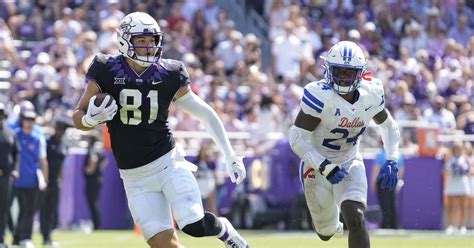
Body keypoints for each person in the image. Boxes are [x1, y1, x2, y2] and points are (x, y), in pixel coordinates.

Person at [72, 12, 249, 248]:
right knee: (164, 245)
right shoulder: (105, 68)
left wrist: (230, 154)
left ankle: (225, 231)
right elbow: (78, 115)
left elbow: (204, 112)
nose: (148, 46)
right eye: (141, 40)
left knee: (193, 223)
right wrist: (90, 120)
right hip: (134, 176)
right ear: (125, 41)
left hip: (168, 163)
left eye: (152, 40)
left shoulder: (169, 73)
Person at [289, 41, 400, 248]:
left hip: (349, 161)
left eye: (349, 73)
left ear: (360, 74)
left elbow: (389, 126)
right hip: (316, 165)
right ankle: (332, 224)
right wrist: (325, 166)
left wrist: (392, 158)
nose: (344, 77)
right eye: (339, 71)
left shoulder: (370, 94)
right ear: (328, 71)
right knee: (326, 233)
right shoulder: (320, 96)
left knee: (356, 218)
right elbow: (296, 138)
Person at [12, 108, 48, 247]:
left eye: (32, 120)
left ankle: (26, 237)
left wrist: (44, 178)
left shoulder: (37, 139)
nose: (29, 122)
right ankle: (16, 237)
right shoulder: (15, 136)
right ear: (22, 121)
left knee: (29, 211)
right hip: (16, 180)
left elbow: (43, 160)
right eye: (27, 119)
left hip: (32, 179)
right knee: (16, 212)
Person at [40, 118, 71, 246]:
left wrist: (61, 180)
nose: (61, 132)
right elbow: (42, 161)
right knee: (44, 209)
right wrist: (44, 179)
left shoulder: (63, 145)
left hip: (55, 182)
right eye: (60, 129)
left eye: (63, 130)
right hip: (46, 180)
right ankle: (44, 236)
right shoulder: (47, 142)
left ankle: (48, 236)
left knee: (51, 210)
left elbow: (63, 165)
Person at [370, 147, 405, 229]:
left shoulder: (380, 155)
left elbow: (376, 170)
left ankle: (385, 224)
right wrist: (399, 181)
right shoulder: (398, 155)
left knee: (384, 204)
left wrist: (373, 184)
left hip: (382, 181)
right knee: (392, 203)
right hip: (393, 180)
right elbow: (401, 171)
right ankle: (393, 224)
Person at [0, 103, 17, 248]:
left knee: (4, 208)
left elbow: (16, 154)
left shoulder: (10, 133)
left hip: (5, 177)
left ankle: (1, 239)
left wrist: (15, 170)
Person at [83, 131, 107, 230]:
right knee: (94, 202)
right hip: (97, 179)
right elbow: (105, 160)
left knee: (92, 202)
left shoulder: (92, 149)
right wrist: (99, 169)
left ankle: (96, 225)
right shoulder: (98, 149)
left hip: (92, 180)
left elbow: (93, 159)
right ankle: (96, 224)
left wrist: (90, 170)